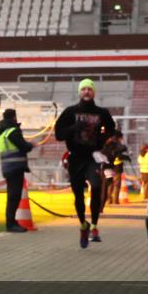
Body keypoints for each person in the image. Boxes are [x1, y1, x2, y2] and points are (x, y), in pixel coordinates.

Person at [54, 78, 116, 248]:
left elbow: (111, 127)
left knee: (96, 186)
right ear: (79, 92)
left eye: (89, 89)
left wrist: (102, 138)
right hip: (75, 157)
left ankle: (95, 226)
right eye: (84, 89)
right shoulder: (70, 112)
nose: (86, 92)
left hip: (93, 156)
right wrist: (75, 127)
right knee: (78, 195)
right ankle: (83, 225)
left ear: (94, 92)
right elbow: (58, 134)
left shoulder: (102, 112)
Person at [0, 108, 34, 233]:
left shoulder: (1, 134)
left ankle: (11, 222)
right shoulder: (13, 131)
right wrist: (31, 145)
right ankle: (11, 224)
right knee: (14, 196)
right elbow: (24, 147)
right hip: (16, 168)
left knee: (13, 196)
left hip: (7, 167)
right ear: (14, 117)